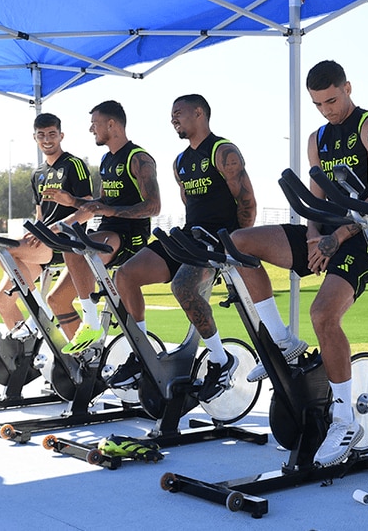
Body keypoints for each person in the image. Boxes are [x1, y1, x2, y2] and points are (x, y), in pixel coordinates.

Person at [175, 60, 368, 467]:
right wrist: (313, 235)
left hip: (364, 236)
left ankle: (344, 419)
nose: (327, 110)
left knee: (322, 314)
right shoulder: (317, 137)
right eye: (318, 104)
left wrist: (336, 238)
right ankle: (282, 341)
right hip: (326, 234)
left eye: (332, 100)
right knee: (237, 241)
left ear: (348, 87)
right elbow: (314, 197)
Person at [106, 94, 257, 402]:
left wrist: (234, 247)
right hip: (190, 237)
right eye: (171, 115)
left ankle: (220, 359)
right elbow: (191, 206)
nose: (173, 119)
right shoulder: (180, 162)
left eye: (178, 113)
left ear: (199, 113)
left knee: (183, 286)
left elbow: (247, 203)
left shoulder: (223, 151)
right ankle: (142, 352)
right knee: (125, 275)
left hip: (219, 242)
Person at [42, 100, 160, 353]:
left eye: (94, 124)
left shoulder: (138, 158)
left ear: (111, 124)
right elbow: (102, 202)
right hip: (106, 231)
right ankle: (90, 358)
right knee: (57, 299)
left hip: (130, 236)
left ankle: (91, 322)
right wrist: (72, 201)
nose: (91, 129)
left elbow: (153, 206)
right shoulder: (107, 160)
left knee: (72, 244)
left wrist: (109, 210)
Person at [0, 114, 92, 340]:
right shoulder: (37, 174)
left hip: (65, 242)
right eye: (42, 135)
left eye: (52, 135)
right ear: (35, 137)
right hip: (43, 241)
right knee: (1, 301)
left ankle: (40, 311)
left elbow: (87, 208)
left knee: (3, 250)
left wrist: (53, 229)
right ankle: (30, 347)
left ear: (61, 136)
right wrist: (37, 229)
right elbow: (40, 215)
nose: (47, 140)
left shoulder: (74, 165)